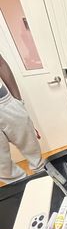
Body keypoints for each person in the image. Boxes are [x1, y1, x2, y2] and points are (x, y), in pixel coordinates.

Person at [0, 54, 44, 184]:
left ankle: (48, 186)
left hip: (5, 102)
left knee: (35, 156)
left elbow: (1, 63)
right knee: (5, 170)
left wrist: (18, 101)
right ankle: (27, 192)